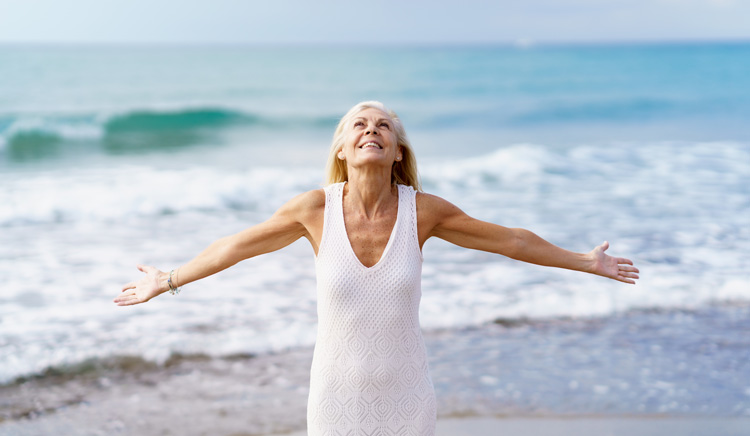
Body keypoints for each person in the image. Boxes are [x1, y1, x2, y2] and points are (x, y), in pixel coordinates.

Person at [114, 100, 639, 435]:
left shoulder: (424, 211)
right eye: (359, 124)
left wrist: (585, 262)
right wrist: (168, 279)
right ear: (342, 148)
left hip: (406, 393)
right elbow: (234, 247)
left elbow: (512, 241)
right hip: (335, 395)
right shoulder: (313, 210)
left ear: (396, 151)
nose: (372, 129)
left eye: (384, 125)